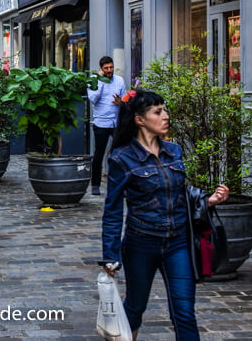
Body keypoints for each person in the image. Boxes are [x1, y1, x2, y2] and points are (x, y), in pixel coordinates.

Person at [101, 89, 229, 340]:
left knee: (184, 313)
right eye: (158, 112)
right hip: (141, 244)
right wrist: (110, 255)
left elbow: (179, 194)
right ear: (140, 120)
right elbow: (113, 211)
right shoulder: (121, 159)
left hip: (178, 243)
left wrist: (209, 200)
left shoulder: (174, 152)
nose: (165, 116)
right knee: (135, 308)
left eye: (165, 110)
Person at [87, 56, 126, 195]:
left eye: (111, 67)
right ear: (101, 69)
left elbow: (125, 100)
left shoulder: (120, 80)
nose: (109, 70)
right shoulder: (93, 81)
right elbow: (93, 99)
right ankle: (95, 185)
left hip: (116, 123)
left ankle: (121, 185)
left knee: (120, 155)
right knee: (99, 154)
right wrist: (100, 81)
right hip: (101, 123)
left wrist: (120, 102)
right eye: (106, 68)